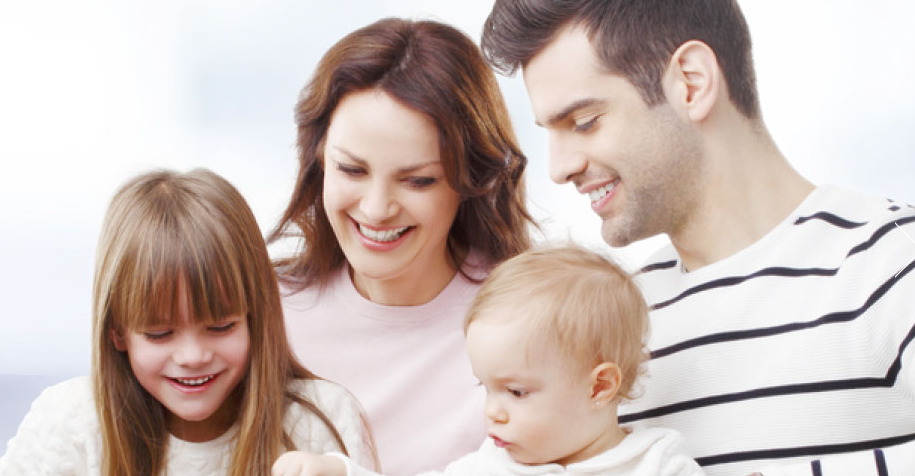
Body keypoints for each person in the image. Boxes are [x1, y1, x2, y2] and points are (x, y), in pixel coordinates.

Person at [480, 1, 915, 475]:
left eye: (584, 122)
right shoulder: (609, 325)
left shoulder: (894, 263)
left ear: (691, 83)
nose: (559, 167)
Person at [268, 17, 533, 476]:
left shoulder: (534, 321)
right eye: (352, 170)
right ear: (318, 159)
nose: (376, 209)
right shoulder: (261, 313)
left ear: (471, 180)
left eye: (418, 181)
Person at [0, 169, 377, 476]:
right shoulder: (68, 422)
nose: (193, 356)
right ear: (117, 331)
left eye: (221, 327)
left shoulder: (321, 420)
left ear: (255, 316)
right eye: (159, 334)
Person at [270, 245, 705, 476]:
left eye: (516, 392)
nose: (492, 412)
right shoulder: (488, 467)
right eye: (487, 388)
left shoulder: (657, 464)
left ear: (599, 387)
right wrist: (337, 471)